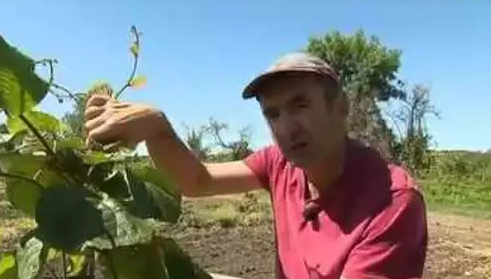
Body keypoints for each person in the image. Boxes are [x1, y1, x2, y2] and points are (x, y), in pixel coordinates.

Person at [83, 52, 428, 279]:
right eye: (273, 114)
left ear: (340, 108)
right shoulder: (280, 163)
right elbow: (197, 181)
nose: (287, 127)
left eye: (301, 104)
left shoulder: (393, 203)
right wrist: (156, 129)